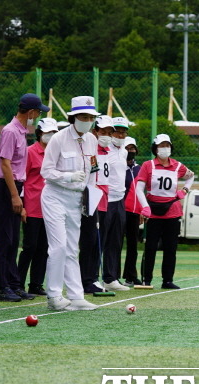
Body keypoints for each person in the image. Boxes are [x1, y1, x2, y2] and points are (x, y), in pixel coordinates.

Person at [40, 96, 100, 311]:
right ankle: (54, 296)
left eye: (91, 116)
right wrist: (68, 176)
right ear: (73, 117)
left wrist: (89, 197)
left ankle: (76, 296)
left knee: (72, 248)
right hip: (55, 196)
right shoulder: (58, 139)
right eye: (84, 116)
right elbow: (45, 171)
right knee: (58, 246)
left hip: (77, 199)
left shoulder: (92, 140)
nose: (88, 120)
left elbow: (93, 170)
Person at [0, 93, 49, 302]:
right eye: (38, 111)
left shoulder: (21, 132)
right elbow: (5, 164)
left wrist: (18, 196)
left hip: (15, 187)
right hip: (5, 188)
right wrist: (15, 196)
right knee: (4, 241)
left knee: (13, 240)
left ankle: (13, 284)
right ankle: (0, 287)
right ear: (31, 112)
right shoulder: (10, 131)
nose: (38, 115)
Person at [135, 133, 194, 289]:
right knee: (150, 246)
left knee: (170, 247)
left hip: (172, 210)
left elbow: (191, 176)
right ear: (155, 148)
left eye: (167, 145)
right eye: (161, 145)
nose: (165, 148)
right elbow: (139, 188)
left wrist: (185, 190)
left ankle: (167, 280)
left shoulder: (178, 166)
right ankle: (146, 279)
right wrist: (145, 206)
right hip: (153, 210)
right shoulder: (148, 165)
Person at [17, 118, 58, 296]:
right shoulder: (29, 152)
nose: (50, 136)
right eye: (47, 132)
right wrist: (23, 207)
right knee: (30, 247)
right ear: (39, 133)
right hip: (33, 206)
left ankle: (36, 284)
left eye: (53, 133)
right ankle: (18, 284)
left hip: (50, 208)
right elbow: (21, 178)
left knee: (44, 248)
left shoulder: (56, 153)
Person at [78, 114, 113, 294]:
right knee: (89, 241)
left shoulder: (107, 151)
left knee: (98, 242)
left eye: (109, 132)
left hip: (104, 201)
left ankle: (93, 277)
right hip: (91, 201)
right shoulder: (91, 150)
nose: (106, 135)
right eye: (103, 131)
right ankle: (85, 279)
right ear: (95, 131)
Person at [98, 117, 131, 291]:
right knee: (100, 240)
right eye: (117, 131)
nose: (120, 134)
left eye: (123, 131)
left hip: (119, 200)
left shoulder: (124, 151)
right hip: (105, 200)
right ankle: (92, 278)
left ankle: (110, 279)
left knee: (115, 241)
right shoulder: (104, 149)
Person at [122, 137, 142, 286]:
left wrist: (142, 209)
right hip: (117, 209)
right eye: (127, 148)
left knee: (133, 245)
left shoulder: (139, 169)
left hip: (134, 211)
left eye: (132, 148)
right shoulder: (117, 166)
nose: (130, 151)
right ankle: (112, 276)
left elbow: (141, 190)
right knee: (114, 243)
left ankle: (131, 276)